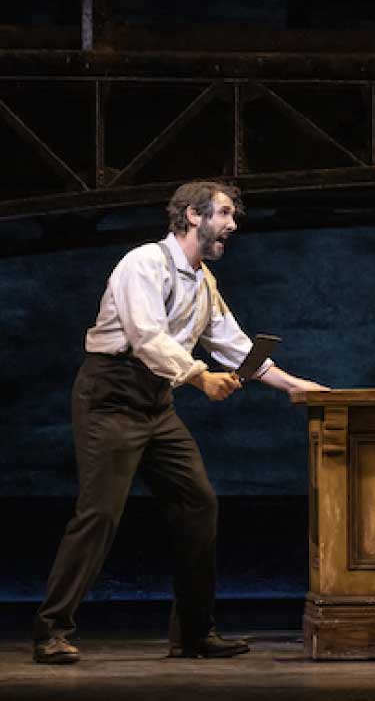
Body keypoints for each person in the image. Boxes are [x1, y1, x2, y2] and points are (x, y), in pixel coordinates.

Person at [33, 181, 328, 664]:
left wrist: (297, 385)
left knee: (199, 504)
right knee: (100, 512)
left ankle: (194, 632)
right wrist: (199, 378)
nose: (232, 225)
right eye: (226, 214)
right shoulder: (143, 263)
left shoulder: (203, 281)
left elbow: (233, 345)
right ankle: (51, 630)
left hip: (156, 401)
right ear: (193, 215)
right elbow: (146, 336)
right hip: (111, 394)